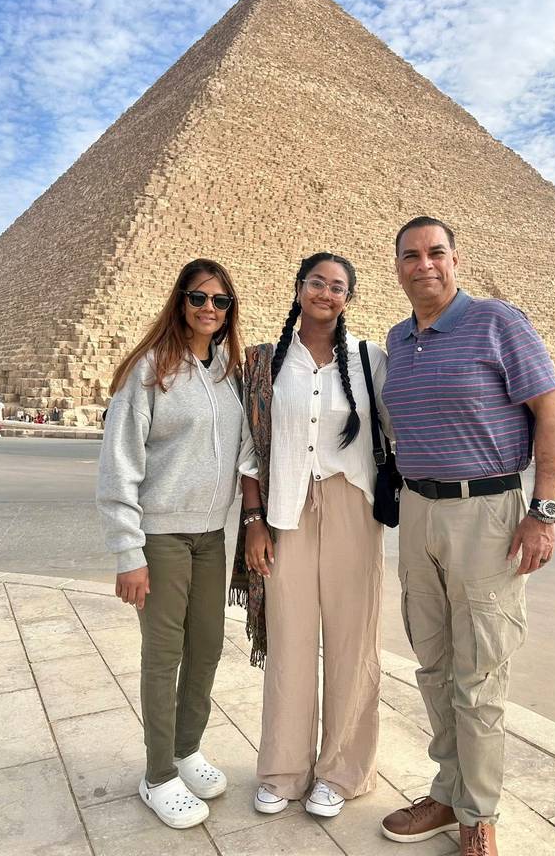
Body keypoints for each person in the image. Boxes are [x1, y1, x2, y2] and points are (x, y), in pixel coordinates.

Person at [380, 217, 555, 856]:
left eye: (436, 253)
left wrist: (543, 512)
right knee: (433, 664)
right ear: (397, 267)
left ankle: (479, 815)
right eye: (411, 255)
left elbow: (552, 413)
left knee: (480, 673)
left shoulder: (498, 323)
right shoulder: (398, 339)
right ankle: (447, 789)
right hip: (417, 511)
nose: (424, 265)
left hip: (488, 514)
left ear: (455, 260)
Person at [231, 252, 391, 820]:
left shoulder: (371, 358)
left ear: (349, 297)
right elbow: (250, 447)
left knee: (353, 641)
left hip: (353, 507)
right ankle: (282, 770)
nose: (326, 293)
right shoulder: (263, 361)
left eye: (338, 286)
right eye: (317, 282)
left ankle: (344, 772)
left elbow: (408, 423)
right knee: (289, 643)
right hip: (285, 508)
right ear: (299, 289)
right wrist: (254, 520)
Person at [96, 258, 243, 831]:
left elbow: (249, 444)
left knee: (205, 647)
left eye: (220, 301)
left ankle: (186, 749)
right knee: (163, 658)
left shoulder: (231, 372)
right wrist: (126, 552)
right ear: (179, 301)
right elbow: (120, 463)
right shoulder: (150, 369)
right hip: (159, 536)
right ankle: (158, 774)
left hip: (211, 535)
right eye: (198, 298)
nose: (209, 309)